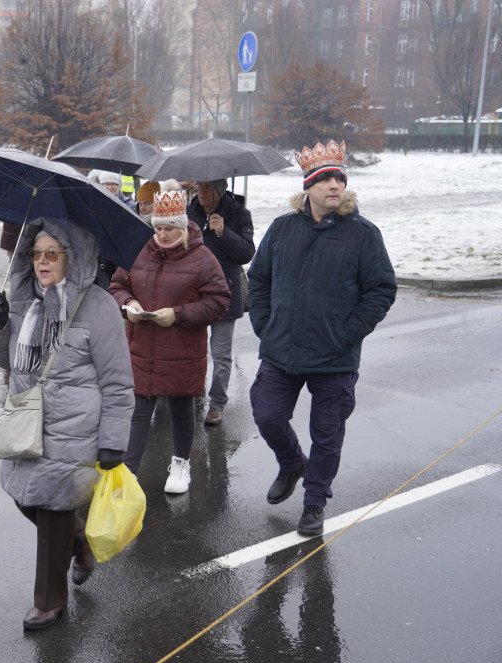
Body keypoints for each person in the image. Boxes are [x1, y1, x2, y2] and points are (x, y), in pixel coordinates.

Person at [0, 217, 134, 630]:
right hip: (28, 422)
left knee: (51, 507)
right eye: (36, 253)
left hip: (75, 430)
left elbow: (119, 382)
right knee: (24, 496)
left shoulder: (99, 305)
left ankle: (49, 601)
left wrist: (113, 442)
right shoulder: (24, 300)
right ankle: (78, 538)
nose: (42, 261)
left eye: (52, 253)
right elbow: (5, 360)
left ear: (75, 257)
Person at [248, 140, 396, 536]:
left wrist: (347, 334)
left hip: (335, 356)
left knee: (327, 435)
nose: (335, 185)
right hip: (282, 349)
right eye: (326, 179)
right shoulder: (282, 229)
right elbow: (258, 280)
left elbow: (381, 289)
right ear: (308, 187)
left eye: (339, 178)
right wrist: (265, 322)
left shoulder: (363, 234)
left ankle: (314, 502)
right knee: (266, 413)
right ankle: (292, 462)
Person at [109, 186, 230, 492]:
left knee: (181, 409)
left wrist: (178, 314)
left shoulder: (202, 258)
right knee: (138, 410)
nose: (162, 235)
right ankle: (129, 472)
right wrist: (128, 305)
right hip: (141, 348)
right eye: (158, 228)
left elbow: (219, 301)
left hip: (182, 351)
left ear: (183, 228)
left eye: (170, 229)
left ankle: (181, 464)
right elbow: (117, 286)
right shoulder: (138, 249)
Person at [186, 177, 256, 426]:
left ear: (219, 189)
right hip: (193, 294)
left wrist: (224, 232)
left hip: (225, 293)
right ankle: (191, 393)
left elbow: (247, 253)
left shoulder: (239, 214)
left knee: (221, 354)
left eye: (207, 187)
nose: (201, 191)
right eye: (199, 186)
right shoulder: (189, 212)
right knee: (192, 350)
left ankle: (216, 404)